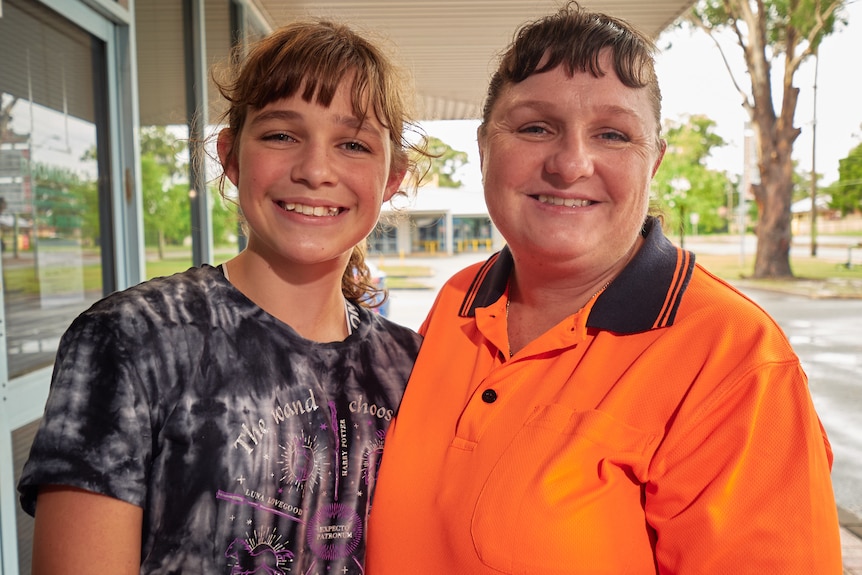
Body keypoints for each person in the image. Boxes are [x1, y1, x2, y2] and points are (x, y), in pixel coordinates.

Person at [366, 3, 842, 573]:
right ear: (484, 145)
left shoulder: (731, 355)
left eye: (613, 134)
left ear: (655, 162)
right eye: (535, 127)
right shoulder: (458, 302)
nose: (570, 163)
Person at [18, 19, 426, 575]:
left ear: (392, 177)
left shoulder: (414, 368)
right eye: (281, 135)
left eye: (352, 144)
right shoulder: (134, 336)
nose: (314, 170)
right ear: (232, 157)